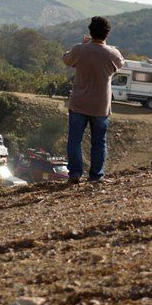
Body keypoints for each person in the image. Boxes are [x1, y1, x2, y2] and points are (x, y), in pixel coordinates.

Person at [62, 16, 124, 183]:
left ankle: (75, 173)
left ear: (90, 31)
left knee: (75, 140)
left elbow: (66, 59)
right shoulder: (112, 53)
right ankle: (96, 175)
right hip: (100, 106)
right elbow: (120, 64)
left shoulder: (79, 49)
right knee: (99, 142)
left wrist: (85, 44)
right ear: (108, 33)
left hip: (79, 103)